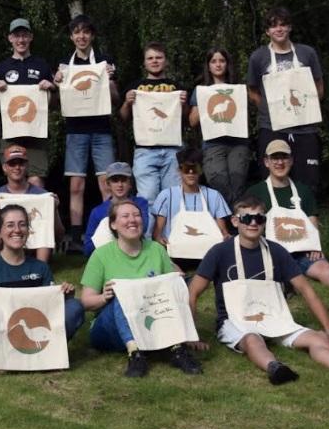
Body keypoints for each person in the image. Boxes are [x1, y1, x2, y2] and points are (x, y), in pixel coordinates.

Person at [189, 196, 329, 384]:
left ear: (265, 221)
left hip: (274, 317)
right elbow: (194, 292)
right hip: (235, 321)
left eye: (259, 218)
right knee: (252, 339)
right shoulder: (219, 252)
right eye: (247, 218)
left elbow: (306, 290)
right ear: (235, 221)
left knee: (315, 337)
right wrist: (192, 336)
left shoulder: (277, 251)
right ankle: (275, 368)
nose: (253, 223)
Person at [80, 198, 204, 377]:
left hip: (149, 320)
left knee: (172, 286)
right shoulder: (101, 255)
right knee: (121, 293)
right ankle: (135, 353)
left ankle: (177, 348)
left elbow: (173, 288)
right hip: (108, 329)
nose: (132, 220)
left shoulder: (156, 250)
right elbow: (85, 301)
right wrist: (103, 297)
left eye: (137, 215)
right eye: (125, 216)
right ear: (113, 224)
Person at [0, 204, 84, 362]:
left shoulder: (40, 267)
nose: (17, 230)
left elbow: (50, 309)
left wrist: (66, 295)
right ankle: (13, 354)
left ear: (28, 230)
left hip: (31, 325)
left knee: (74, 307)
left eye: (22, 224)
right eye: (10, 225)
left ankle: (32, 351)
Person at [243, 140, 329, 294]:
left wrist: (315, 246)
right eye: (275, 158)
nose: (280, 162)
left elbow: (312, 221)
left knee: (324, 270)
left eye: (284, 157)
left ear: (291, 160)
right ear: (266, 162)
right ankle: (286, 285)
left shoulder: (303, 190)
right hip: (271, 253)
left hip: (303, 252)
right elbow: (247, 226)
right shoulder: (255, 192)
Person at [247, 7, 324, 197]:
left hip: (305, 128)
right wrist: (269, 111)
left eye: (283, 25)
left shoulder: (307, 53)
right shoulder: (258, 57)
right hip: (272, 128)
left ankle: (308, 222)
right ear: (267, 31)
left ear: (289, 27)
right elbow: (253, 91)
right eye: (273, 26)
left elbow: (319, 86)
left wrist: (309, 106)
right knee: (273, 181)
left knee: (308, 182)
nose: (279, 29)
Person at [54, 15, 119, 245]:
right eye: (76, 32)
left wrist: (110, 81)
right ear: (71, 37)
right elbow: (56, 100)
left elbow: (115, 98)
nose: (81, 36)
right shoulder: (65, 64)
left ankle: (112, 229)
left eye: (85, 32)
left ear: (92, 35)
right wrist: (57, 82)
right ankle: (74, 235)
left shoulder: (104, 61)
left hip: (101, 128)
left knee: (106, 183)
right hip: (75, 129)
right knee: (76, 185)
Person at [0, 18, 55, 187]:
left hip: (36, 135)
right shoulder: (2, 68)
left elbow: (52, 105)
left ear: (31, 37)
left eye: (24, 35)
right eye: (17, 36)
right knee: (14, 181)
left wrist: (51, 88)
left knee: (36, 180)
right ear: (10, 38)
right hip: (10, 134)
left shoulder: (42, 65)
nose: (21, 40)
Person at [119, 42, 186, 201]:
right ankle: (148, 227)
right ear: (144, 62)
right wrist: (127, 103)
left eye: (158, 57)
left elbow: (187, 119)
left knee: (172, 199)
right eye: (150, 58)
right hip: (145, 150)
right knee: (147, 198)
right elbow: (122, 117)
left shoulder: (176, 87)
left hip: (173, 150)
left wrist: (185, 104)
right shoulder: (135, 87)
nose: (154, 61)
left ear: (166, 61)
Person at [185, 47, 249, 206]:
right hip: (213, 144)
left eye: (222, 61)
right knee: (218, 182)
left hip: (237, 143)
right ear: (208, 66)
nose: (218, 64)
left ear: (227, 64)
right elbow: (192, 121)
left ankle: (238, 221)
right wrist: (204, 102)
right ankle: (229, 219)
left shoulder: (238, 89)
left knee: (237, 181)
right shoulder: (201, 91)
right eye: (214, 61)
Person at [150, 146, 231, 271]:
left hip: (207, 254)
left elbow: (223, 231)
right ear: (179, 170)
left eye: (195, 169)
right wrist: (161, 242)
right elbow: (157, 234)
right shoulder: (166, 195)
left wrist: (225, 236)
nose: (191, 173)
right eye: (187, 169)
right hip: (176, 255)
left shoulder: (214, 195)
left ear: (201, 170)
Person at [0, 145, 64, 263]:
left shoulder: (42, 195)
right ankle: (3, 264)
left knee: (41, 230)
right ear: (5, 168)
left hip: (35, 249)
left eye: (21, 163)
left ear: (27, 166)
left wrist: (54, 210)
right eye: (12, 164)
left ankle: (41, 269)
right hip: (6, 245)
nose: (17, 167)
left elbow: (59, 237)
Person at [82, 162, 152, 256]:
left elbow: (142, 228)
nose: (120, 185)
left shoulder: (140, 203)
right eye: (115, 180)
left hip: (136, 251)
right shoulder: (97, 211)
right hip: (109, 256)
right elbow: (88, 248)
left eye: (123, 180)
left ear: (130, 183)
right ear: (108, 184)